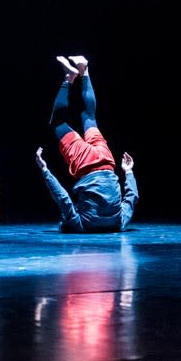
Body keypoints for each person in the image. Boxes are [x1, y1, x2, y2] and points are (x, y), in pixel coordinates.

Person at [35, 54, 138, 232]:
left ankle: (84, 71)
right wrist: (45, 171)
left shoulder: (120, 223)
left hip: (107, 161)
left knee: (89, 117)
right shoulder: (81, 225)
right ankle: (69, 77)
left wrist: (128, 171)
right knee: (58, 123)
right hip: (86, 163)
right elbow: (63, 199)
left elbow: (132, 197)